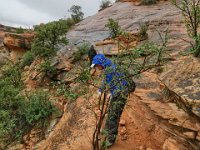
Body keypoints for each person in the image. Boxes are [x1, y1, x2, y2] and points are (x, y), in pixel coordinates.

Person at [90, 54, 135, 147]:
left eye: (96, 66)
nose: (96, 68)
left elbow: (122, 85)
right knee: (111, 112)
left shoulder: (114, 68)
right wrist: (100, 90)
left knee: (114, 116)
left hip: (121, 94)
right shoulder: (108, 67)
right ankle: (107, 131)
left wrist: (112, 94)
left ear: (101, 63)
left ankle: (110, 140)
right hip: (116, 93)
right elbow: (106, 80)